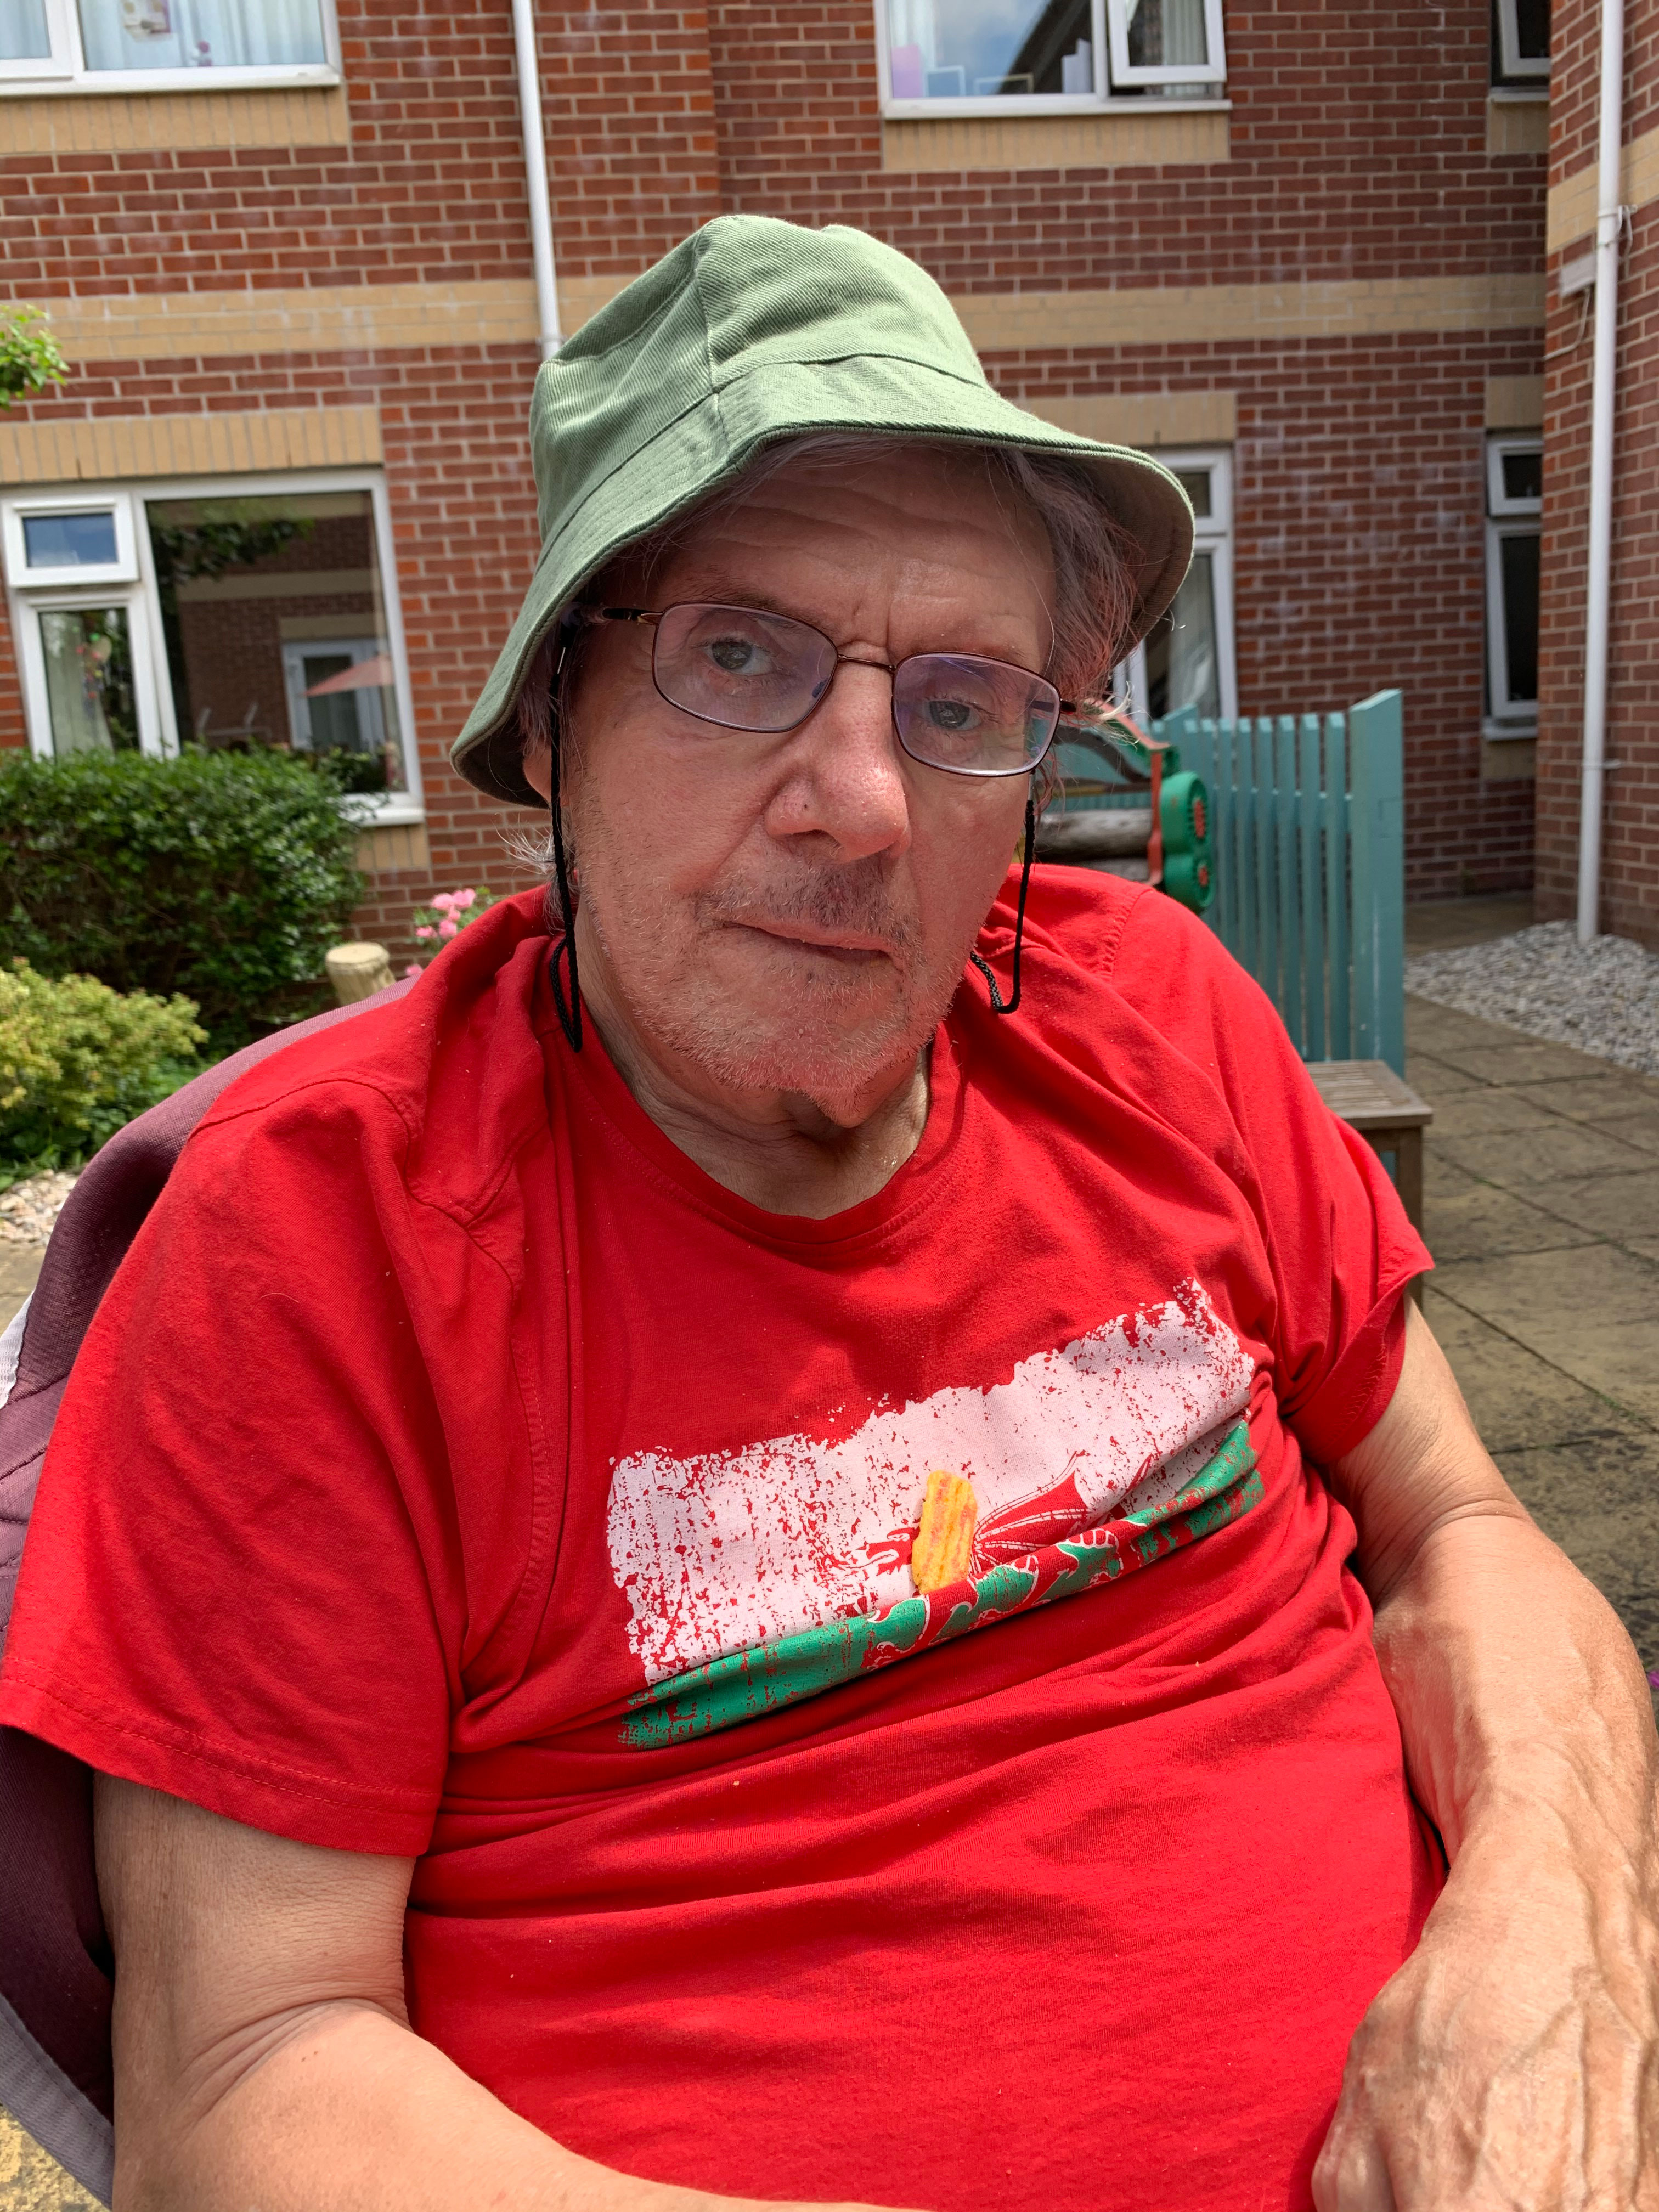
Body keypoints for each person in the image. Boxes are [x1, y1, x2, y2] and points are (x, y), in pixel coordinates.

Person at [2, 217, 1655, 2212]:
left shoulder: (1160, 1018)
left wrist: (1556, 1939)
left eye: (963, 700)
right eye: (739, 657)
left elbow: (1462, 1526)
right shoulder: (320, 1238)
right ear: (555, 714)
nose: (860, 802)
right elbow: (245, 2082)